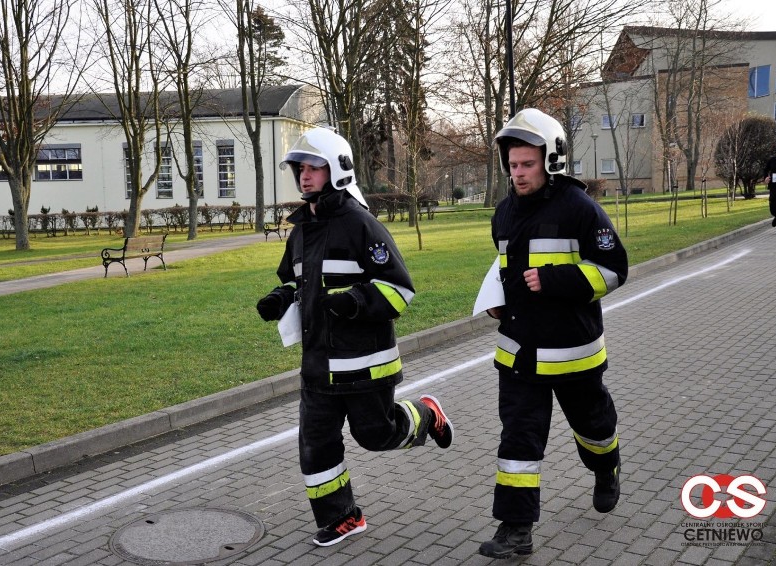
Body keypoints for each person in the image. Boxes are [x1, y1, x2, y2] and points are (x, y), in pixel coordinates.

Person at [256, 126, 454, 548]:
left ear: (338, 170)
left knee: (377, 437)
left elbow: (399, 289)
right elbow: (294, 281)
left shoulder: (361, 225)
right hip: (318, 367)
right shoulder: (300, 230)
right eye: (299, 169)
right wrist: (280, 298)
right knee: (315, 445)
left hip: (366, 366)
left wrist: (355, 302)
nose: (304, 176)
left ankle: (426, 413)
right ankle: (343, 517)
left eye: (314, 168)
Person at [477, 109, 628, 559]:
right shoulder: (503, 213)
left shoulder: (581, 209)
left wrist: (557, 280)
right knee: (519, 440)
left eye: (527, 164)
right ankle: (515, 529)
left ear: (551, 160)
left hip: (573, 354)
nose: (518, 174)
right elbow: (505, 270)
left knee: (594, 427)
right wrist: (497, 300)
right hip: (519, 352)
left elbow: (613, 270)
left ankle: (607, 468)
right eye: (513, 164)